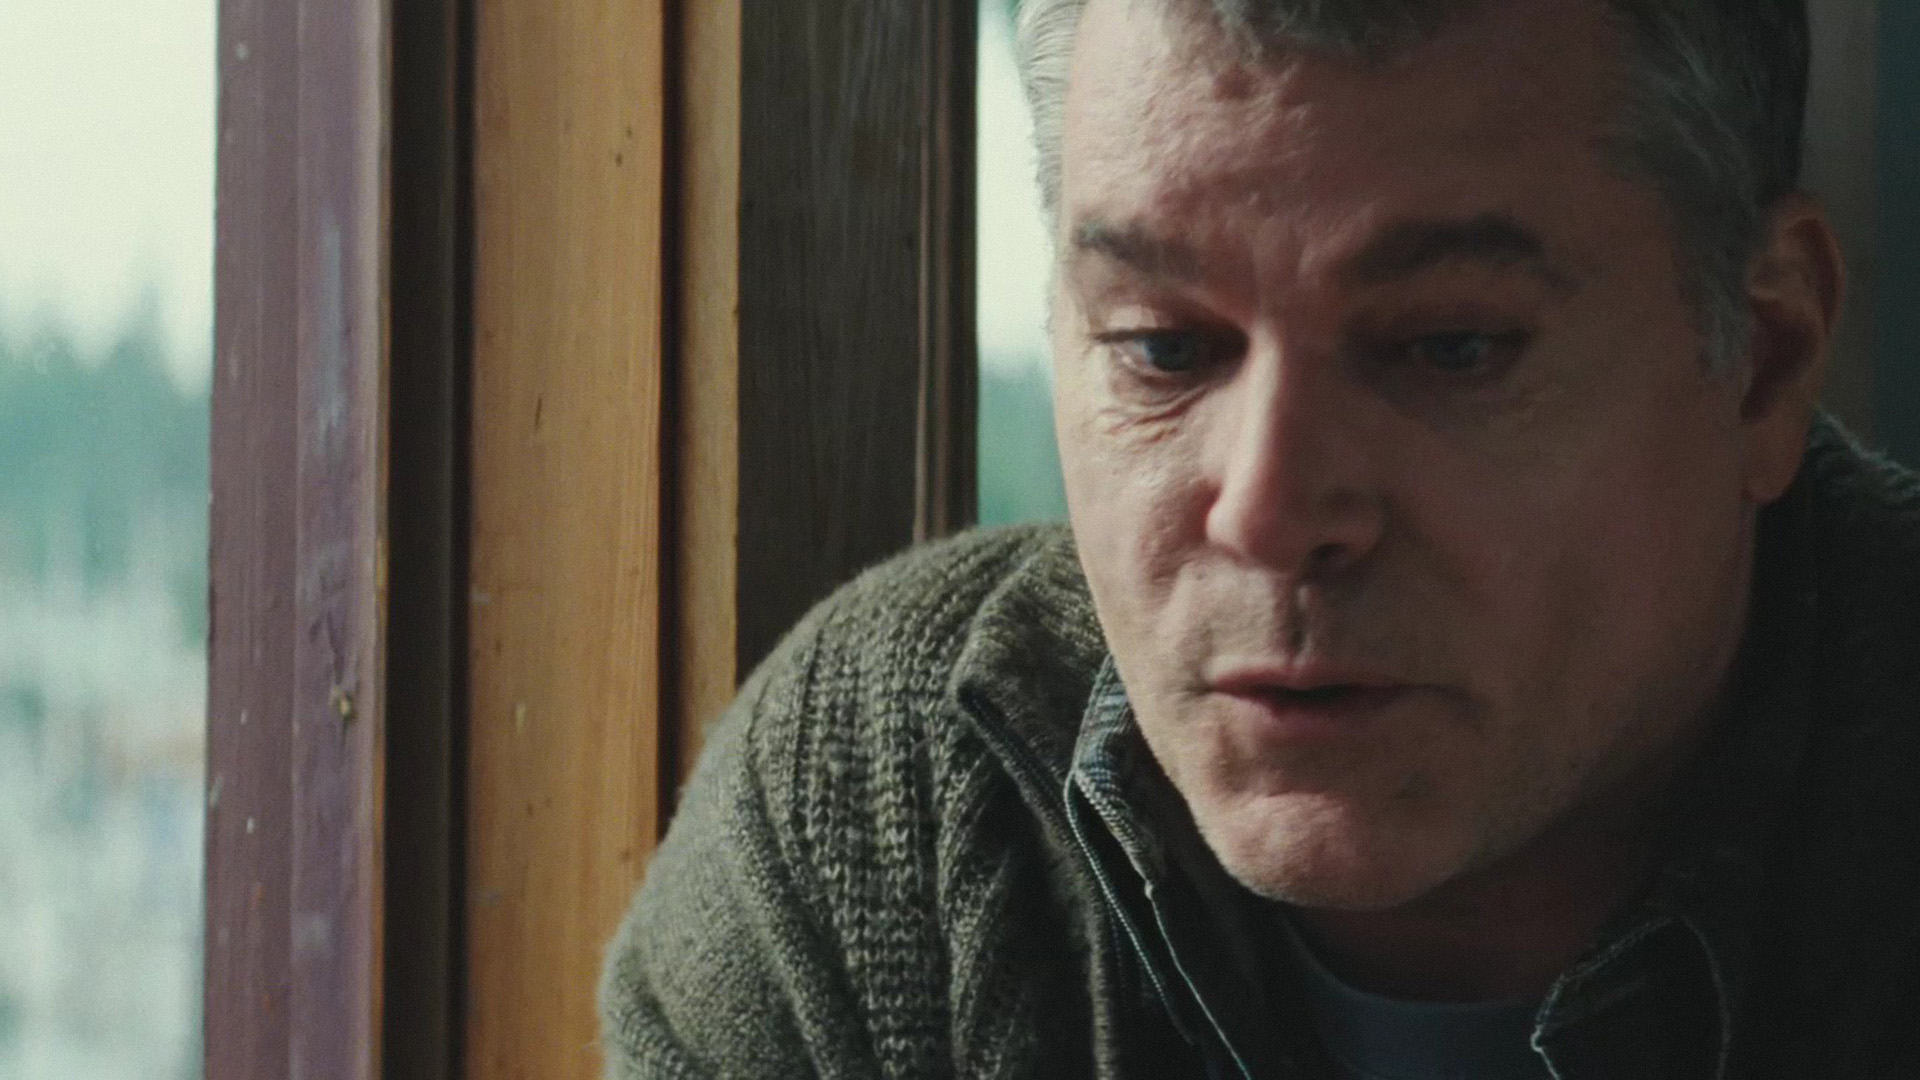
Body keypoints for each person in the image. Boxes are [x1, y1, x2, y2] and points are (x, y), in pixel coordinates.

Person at [601, 0, 1920, 1075]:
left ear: (1762, 358)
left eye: (1450, 346)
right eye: (1164, 349)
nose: (1270, 511)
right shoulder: (886, 793)